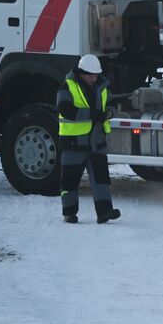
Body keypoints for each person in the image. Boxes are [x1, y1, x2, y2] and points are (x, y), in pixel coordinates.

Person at [57, 53, 119, 225]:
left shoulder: (102, 86)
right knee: (69, 181)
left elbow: (110, 105)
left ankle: (105, 212)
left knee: (102, 179)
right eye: (90, 75)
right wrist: (94, 115)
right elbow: (65, 109)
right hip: (73, 142)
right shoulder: (67, 86)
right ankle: (69, 213)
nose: (93, 78)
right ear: (81, 73)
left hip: (96, 142)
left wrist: (111, 112)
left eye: (95, 75)